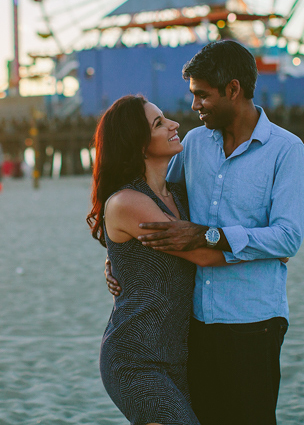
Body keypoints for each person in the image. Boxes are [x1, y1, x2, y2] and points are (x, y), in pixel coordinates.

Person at [107, 40, 304, 425]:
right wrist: (120, 258)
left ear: (233, 89)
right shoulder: (194, 144)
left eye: (202, 95)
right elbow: (163, 206)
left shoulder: (286, 150)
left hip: (254, 323)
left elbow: (288, 237)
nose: (194, 105)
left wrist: (211, 235)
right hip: (195, 326)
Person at [89, 95, 229, 425]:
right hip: (135, 358)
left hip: (176, 357)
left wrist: (114, 264)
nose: (174, 124)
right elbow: (203, 255)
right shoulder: (127, 202)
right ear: (137, 144)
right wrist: (268, 251)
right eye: (158, 123)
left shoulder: (178, 194)